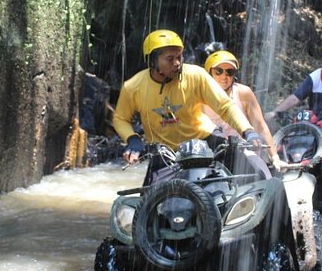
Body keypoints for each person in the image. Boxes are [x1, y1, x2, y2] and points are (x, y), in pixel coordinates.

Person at [112, 29, 266, 181]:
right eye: (170, 58)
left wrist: (247, 131)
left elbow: (225, 106)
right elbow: (120, 118)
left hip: (206, 140)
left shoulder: (195, 75)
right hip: (164, 152)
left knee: (255, 177)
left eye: (179, 57)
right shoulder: (133, 87)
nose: (177, 63)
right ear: (152, 60)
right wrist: (132, 139)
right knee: (151, 201)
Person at [202, 50, 288, 172]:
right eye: (218, 71)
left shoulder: (243, 93)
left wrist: (274, 157)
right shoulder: (199, 96)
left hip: (243, 151)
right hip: (208, 153)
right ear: (209, 73)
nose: (224, 76)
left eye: (229, 72)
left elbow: (260, 126)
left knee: (263, 177)